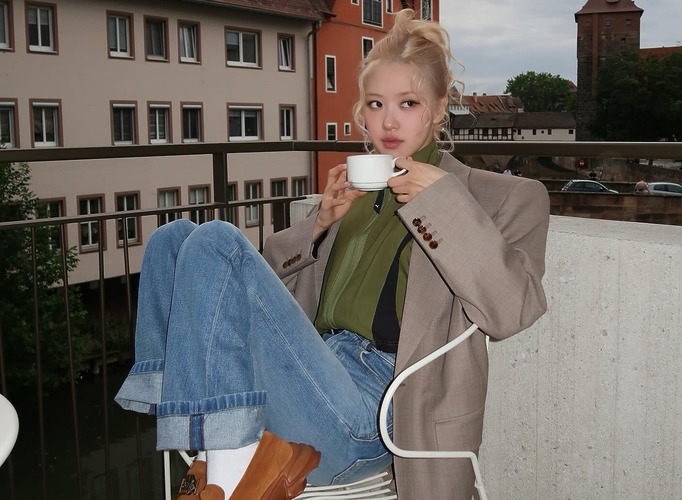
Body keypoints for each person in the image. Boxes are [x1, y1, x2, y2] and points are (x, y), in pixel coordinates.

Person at [115, 9, 550, 500]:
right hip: (310, 377)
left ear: (438, 109)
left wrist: (443, 204)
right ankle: (208, 435)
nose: (388, 121)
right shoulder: (357, 195)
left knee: (216, 237)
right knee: (173, 239)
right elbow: (246, 305)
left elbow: (513, 310)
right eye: (376, 103)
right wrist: (320, 226)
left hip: (376, 413)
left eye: (408, 103)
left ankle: (225, 464)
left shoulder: (500, 196)